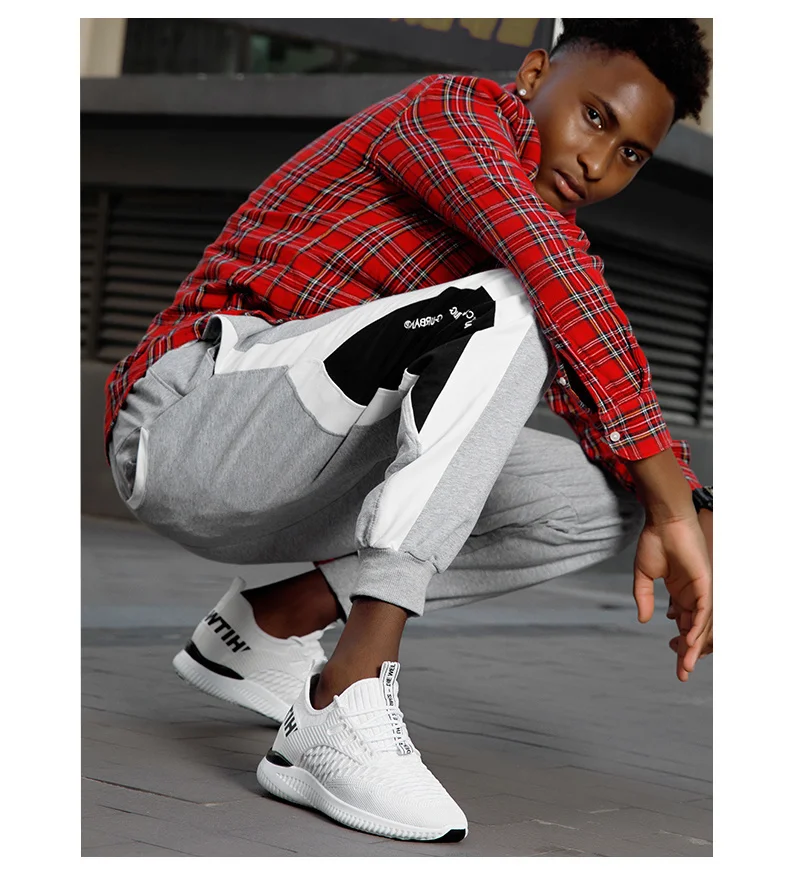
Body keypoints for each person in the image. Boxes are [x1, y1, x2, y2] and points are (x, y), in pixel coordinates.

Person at [104, 19, 713, 843]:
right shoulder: (448, 110)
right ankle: (345, 697)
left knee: (605, 502)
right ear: (536, 74)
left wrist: (687, 505)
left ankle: (271, 623)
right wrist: (680, 509)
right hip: (188, 429)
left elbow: (588, 355)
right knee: (518, 303)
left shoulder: (548, 242)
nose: (598, 164)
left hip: (305, 472)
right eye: (595, 117)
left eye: (631, 153)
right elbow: (555, 282)